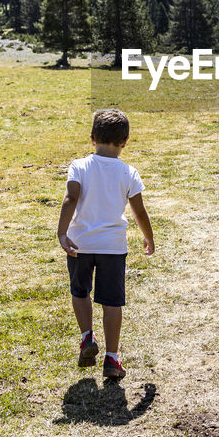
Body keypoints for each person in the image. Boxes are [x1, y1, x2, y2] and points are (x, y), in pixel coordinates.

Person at [57, 108, 155, 380]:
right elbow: (139, 211)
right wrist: (148, 236)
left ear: (92, 138)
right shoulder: (129, 172)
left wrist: (62, 233)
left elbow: (71, 198)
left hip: (80, 244)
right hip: (113, 247)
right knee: (112, 302)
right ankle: (112, 358)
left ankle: (87, 337)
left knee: (80, 292)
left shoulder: (79, 166)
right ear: (125, 141)